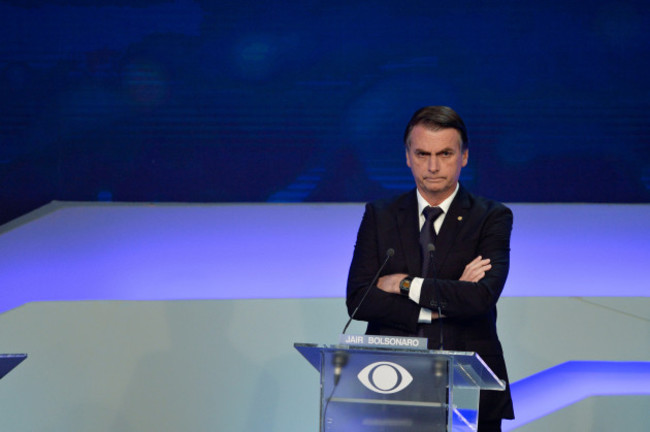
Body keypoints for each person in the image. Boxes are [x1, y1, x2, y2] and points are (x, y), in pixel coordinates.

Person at [346, 106, 515, 431]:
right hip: (392, 383)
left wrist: (407, 284)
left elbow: (481, 297)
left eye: (445, 153)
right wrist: (438, 308)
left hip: (469, 390)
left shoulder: (491, 218)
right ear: (408, 156)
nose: (433, 166)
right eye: (422, 154)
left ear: (464, 156)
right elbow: (360, 300)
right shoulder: (380, 216)